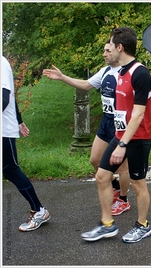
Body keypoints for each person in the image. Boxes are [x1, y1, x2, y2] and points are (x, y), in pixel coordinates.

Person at [80, 26, 151, 243]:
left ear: (120, 47)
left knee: (139, 184)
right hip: (119, 135)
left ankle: (143, 225)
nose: (108, 49)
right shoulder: (119, 71)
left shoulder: (139, 72)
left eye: (111, 45)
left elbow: (139, 115)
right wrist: (119, 139)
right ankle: (107, 224)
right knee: (102, 176)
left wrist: (122, 145)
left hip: (137, 139)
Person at [42, 40, 131, 216]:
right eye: (103, 50)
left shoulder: (128, 72)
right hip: (106, 120)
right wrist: (62, 77)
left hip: (121, 123)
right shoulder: (105, 71)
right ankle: (113, 185)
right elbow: (86, 85)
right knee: (95, 159)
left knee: (122, 167)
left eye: (108, 50)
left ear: (118, 50)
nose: (104, 54)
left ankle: (123, 199)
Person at [2, 55, 51, 232]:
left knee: (10, 169)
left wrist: (16, 121)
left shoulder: (1, 63)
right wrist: (19, 120)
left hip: (3, 131)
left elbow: (5, 98)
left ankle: (39, 210)